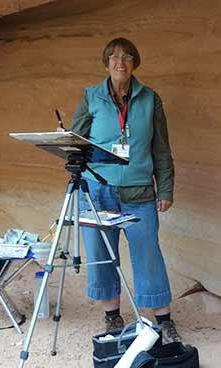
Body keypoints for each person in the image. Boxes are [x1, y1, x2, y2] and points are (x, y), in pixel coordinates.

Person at [68, 37, 181, 344]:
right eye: (114, 57)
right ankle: (112, 317)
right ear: (106, 63)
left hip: (139, 191)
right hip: (97, 189)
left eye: (127, 57)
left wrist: (166, 188)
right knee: (102, 254)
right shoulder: (91, 96)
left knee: (148, 255)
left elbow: (161, 148)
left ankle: (164, 321)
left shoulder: (149, 98)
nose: (120, 62)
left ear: (135, 64)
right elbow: (75, 141)